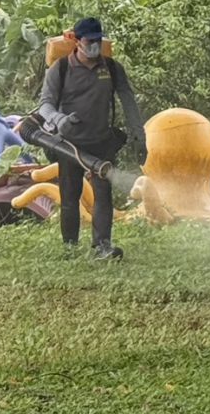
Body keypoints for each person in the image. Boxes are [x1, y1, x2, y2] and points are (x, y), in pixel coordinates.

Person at [33, 17, 146, 259]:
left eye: (97, 40)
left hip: (101, 141)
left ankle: (102, 246)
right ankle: (70, 247)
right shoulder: (60, 69)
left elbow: (128, 102)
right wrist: (59, 119)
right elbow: (45, 105)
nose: (94, 45)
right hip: (70, 145)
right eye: (89, 41)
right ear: (77, 41)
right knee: (70, 197)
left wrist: (139, 134)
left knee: (103, 194)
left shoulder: (112, 69)